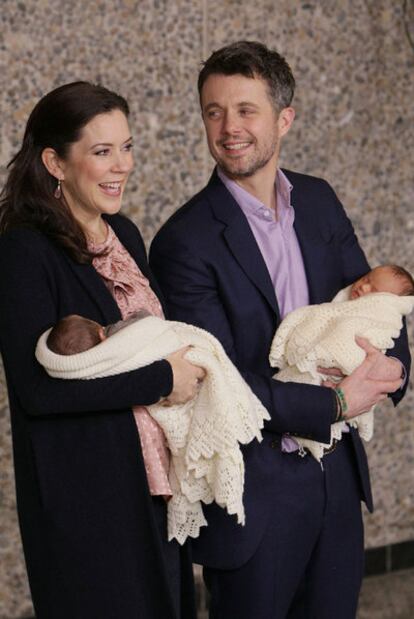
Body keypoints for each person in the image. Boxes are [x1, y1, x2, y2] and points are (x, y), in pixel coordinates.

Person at [149, 41, 412, 619]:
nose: (228, 127)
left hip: (335, 480)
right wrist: (339, 399)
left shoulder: (318, 201)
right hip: (257, 492)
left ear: (283, 119)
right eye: (213, 111)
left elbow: (372, 299)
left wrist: (393, 370)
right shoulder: (183, 242)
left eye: (246, 110)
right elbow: (223, 383)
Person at [0, 81, 206, 619]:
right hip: (88, 502)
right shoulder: (23, 251)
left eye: (128, 147)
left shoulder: (126, 237)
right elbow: (37, 392)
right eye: (102, 151)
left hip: (154, 485)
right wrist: (162, 380)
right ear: (56, 162)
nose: (121, 165)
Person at [35, 311, 269, 545]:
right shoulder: (119, 335)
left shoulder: (97, 367)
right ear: (100, 333)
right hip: (175, 364)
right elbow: (148, 323)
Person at [270, 264, 414, 461]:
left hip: (340, 394)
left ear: (385, 301)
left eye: (374, 290)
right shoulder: (343, 306)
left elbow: (373, 331)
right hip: (279, 399)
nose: (363, 287)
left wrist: (389, 366)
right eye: (366, 280)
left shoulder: (379, 317)